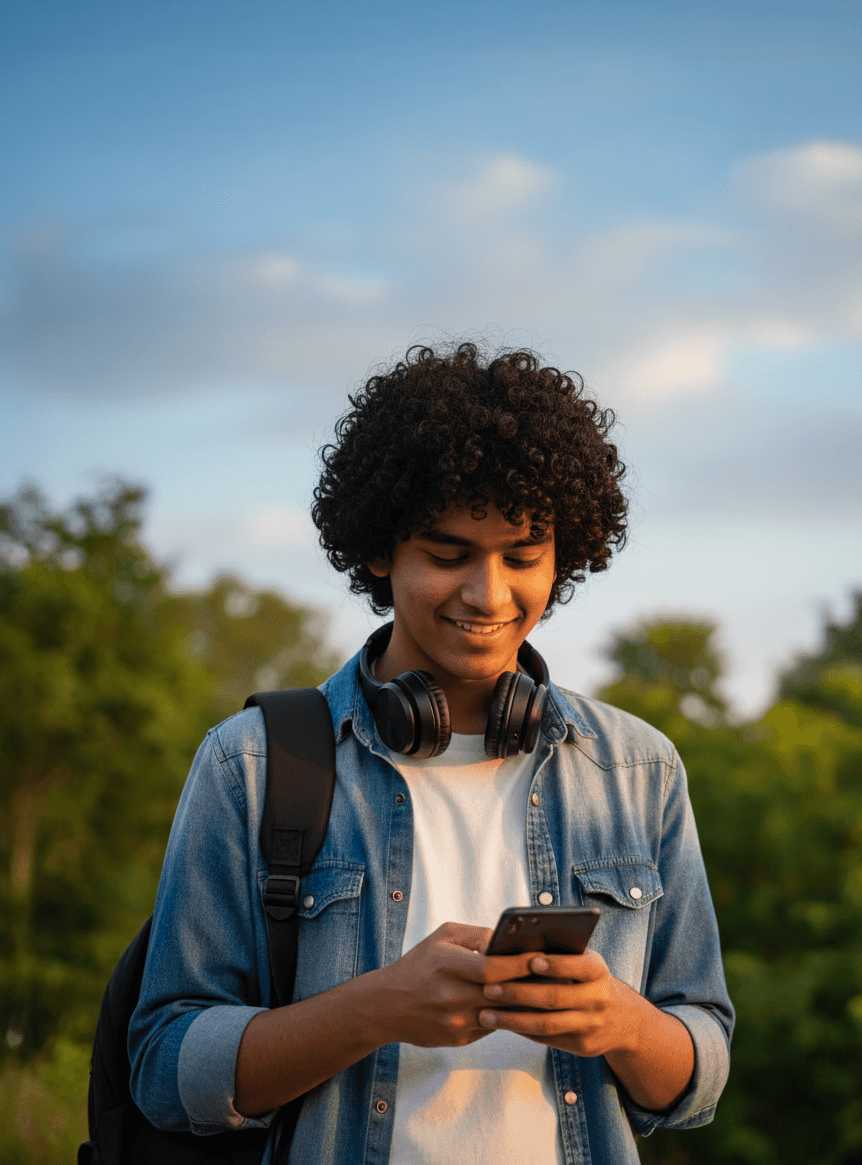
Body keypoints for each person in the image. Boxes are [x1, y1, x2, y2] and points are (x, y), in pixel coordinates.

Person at [129, 341, 734, 1163]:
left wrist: (621, 1023)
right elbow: (165, 1066)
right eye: (448, 556)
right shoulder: (253, 766)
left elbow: (698, 1072)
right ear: (381, 552)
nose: (488, 595)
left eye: (523, 557)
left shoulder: (638, 771)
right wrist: (372, 1010)